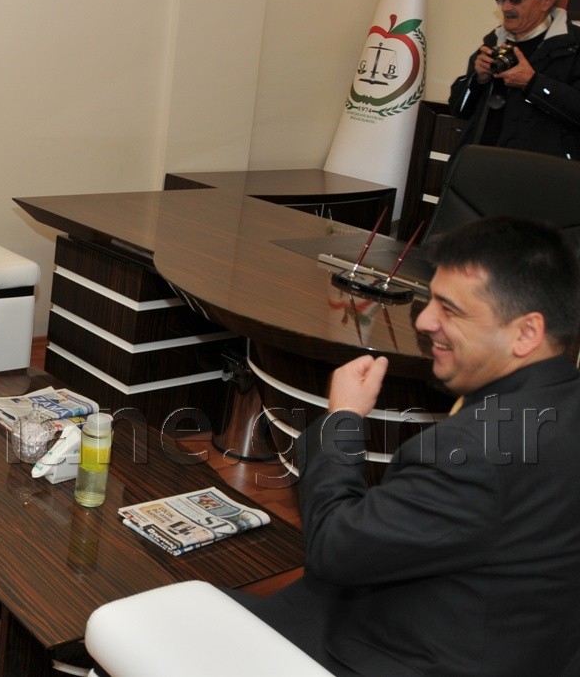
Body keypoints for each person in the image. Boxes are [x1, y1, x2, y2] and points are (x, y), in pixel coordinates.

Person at [229, 216, 580, 676]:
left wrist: (342, 418)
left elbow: (333, 549)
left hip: (401, 655)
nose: (425, 320)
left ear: (527, 333)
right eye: (430, 298)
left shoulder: (472, 453)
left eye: (450, 309)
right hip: (508, 634)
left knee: (164, 613)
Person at [448, 0, 580, 160]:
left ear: (546, 1)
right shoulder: (494, 41)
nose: (506, 7)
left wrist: (533, 84)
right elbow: (459, 109)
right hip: (480, 164)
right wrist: (477, 80)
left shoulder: (573, 46)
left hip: (540, 171)